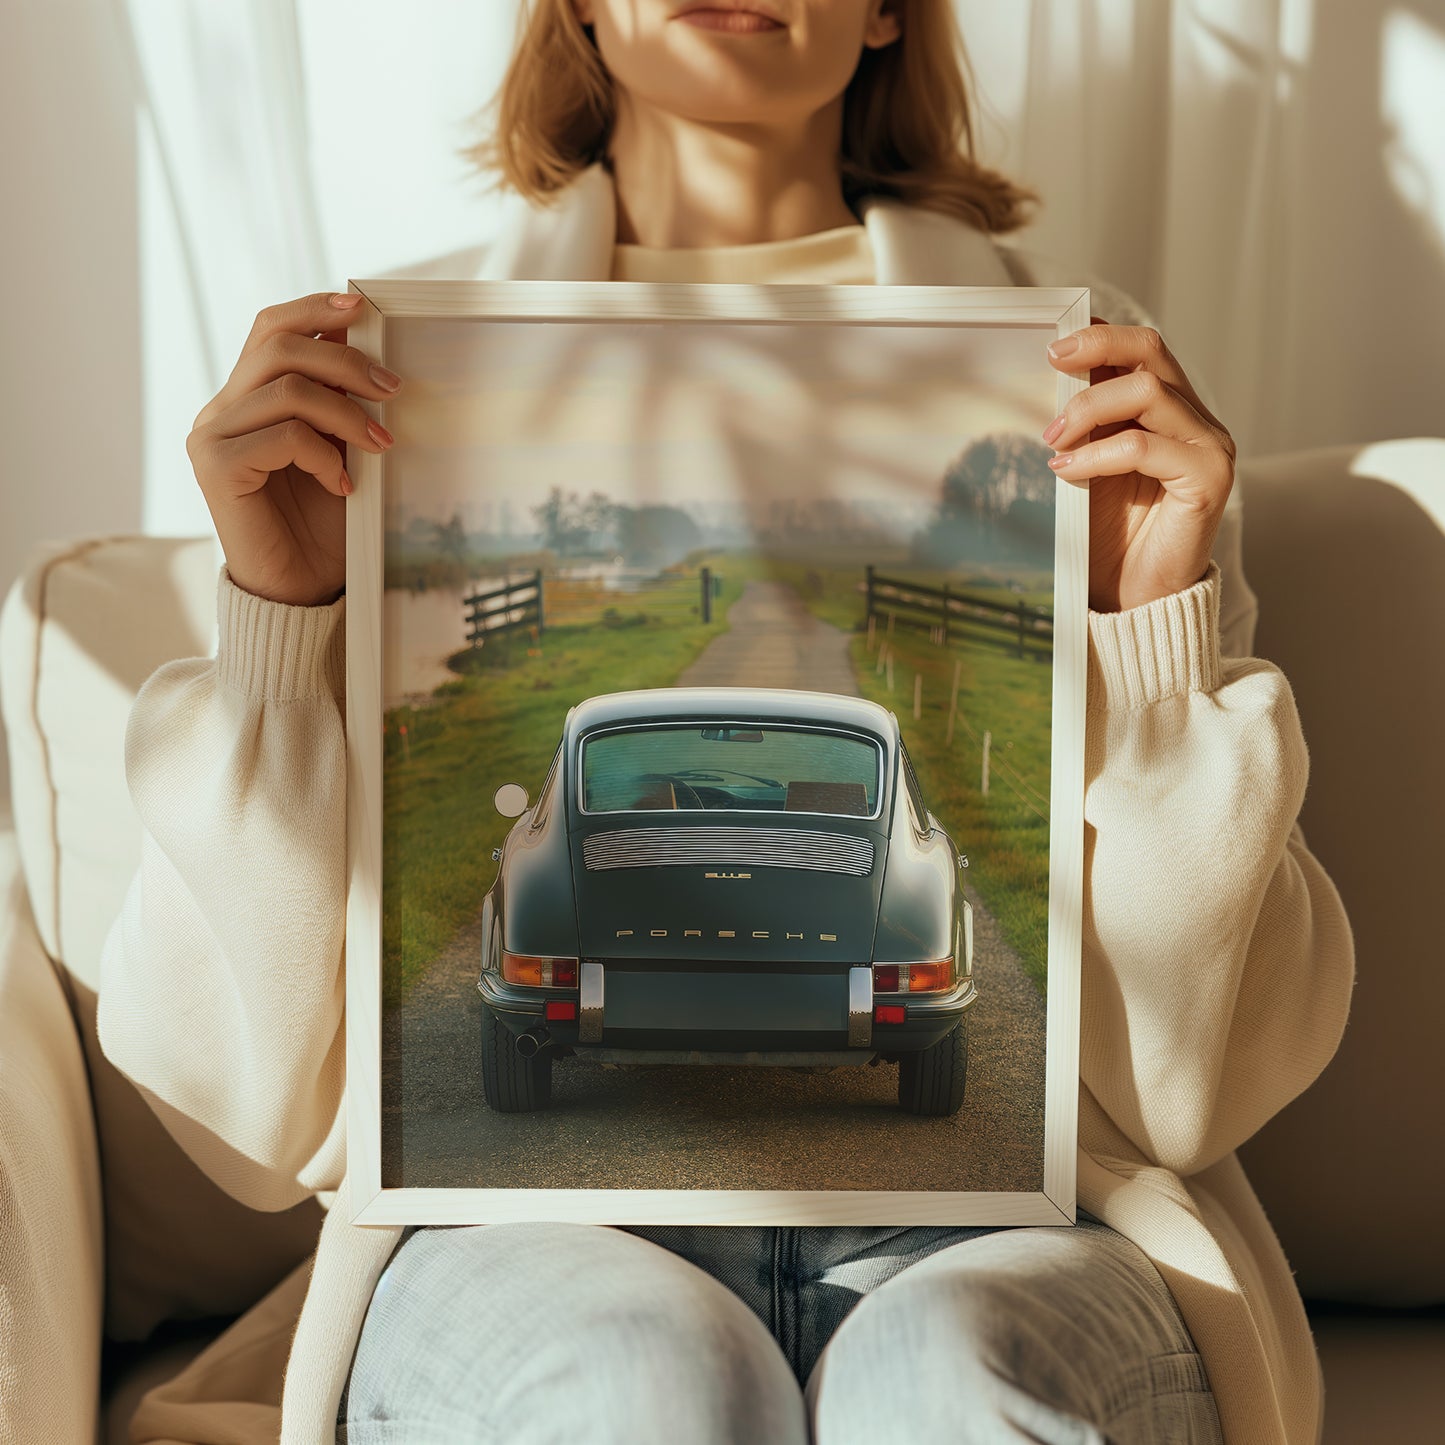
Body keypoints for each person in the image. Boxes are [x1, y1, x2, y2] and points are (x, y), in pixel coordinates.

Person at [97, 2, 1355, 1442]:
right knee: (634, 1386)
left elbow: (1199, 1091)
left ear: (887, 8)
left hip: (1024, 1222)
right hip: (523, 1235)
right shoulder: (379, 370)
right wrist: (282, 625)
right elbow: (248, 1115)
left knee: (943, 1375)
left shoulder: (1085, 370)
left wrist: (1154, 632)